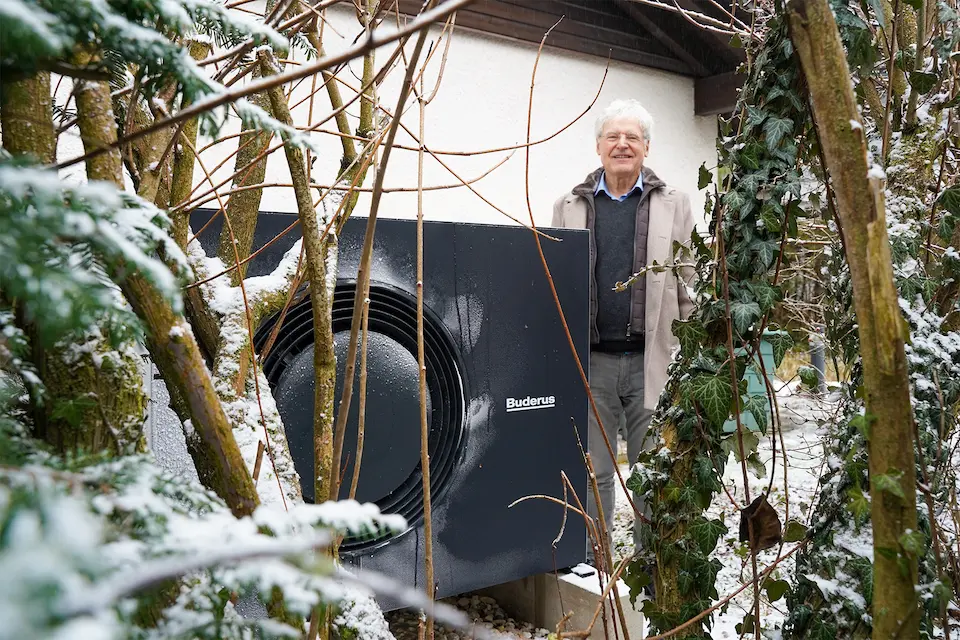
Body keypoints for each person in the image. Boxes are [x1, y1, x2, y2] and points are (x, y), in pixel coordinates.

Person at [552, 99, 696, 565]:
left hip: (650, 362)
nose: (622, 145)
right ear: (598, 146)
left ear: (646, 147)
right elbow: (554, 281)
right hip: (591, 363)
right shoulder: (570, 205)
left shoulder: (673, 204)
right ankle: (599, 563)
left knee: (651, 470)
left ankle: (650, 566)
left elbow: (688, 281)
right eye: (613, 136)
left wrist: (687, 353)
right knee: (595, 472)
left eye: (632, 137)